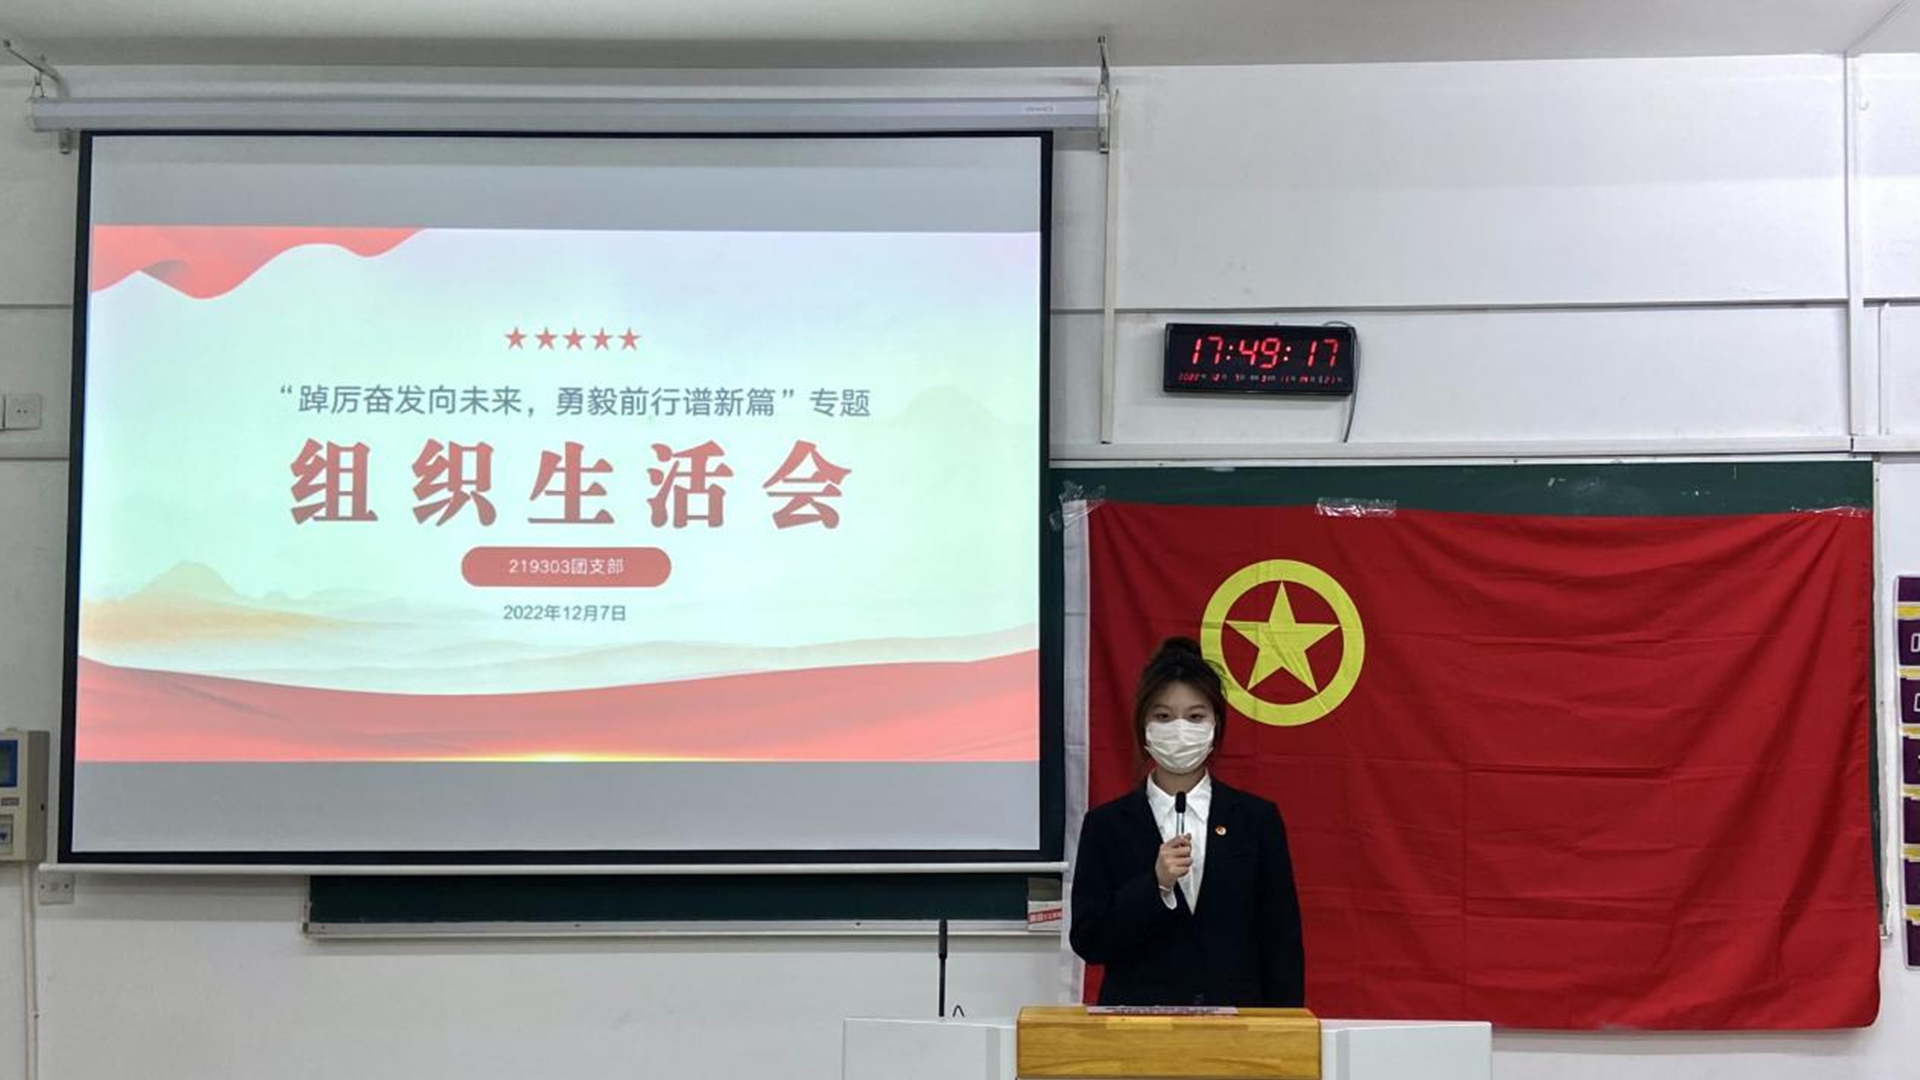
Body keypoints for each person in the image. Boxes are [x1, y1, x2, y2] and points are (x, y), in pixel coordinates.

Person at [1068, 636, 1306, 1007]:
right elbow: (1090, 940)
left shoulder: (1256, 820)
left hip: (1236, 1025)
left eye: (1195, 717)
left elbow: (1282, 945)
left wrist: (1282, 1030)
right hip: (1137, 1025)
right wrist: (1155, 885)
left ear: (1215, 725)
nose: (1179, 729)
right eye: (1163, 717)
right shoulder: (1106, 825)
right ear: (1143, 725)